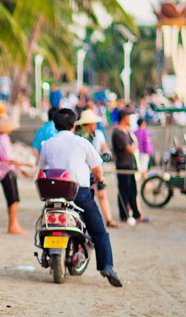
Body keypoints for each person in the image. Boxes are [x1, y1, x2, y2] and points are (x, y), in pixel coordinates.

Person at [38, 108, 123, 287]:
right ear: (73, 124)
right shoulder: (82, 143)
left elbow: (42, 169)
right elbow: (97, 168)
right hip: (79, 194)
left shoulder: (47, 144)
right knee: (99, 231)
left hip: (53, 196)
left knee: (45, 221)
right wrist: (100, 180)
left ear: (54, 124)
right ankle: (107, 266)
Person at [75, 110, 119, 228]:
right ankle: (93, 222)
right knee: (91, 198)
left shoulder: (97, 134)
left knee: (101, 194)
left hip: (96, 169)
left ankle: (108, 219)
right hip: (89, 171)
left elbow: (104, 148)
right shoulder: (82, 136)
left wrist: (105, 154)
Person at [0, 117, 28, 234]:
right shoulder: (4, 139)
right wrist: (25, 165)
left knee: (12, 199)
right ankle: (13, 225)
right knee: (13, 200)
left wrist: (21, 169)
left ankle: (13, 224)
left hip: (4, 171)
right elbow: (8, 160)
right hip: (6, 172)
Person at [112, 109, 147, 226]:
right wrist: (134, 146)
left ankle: (136, 214)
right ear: (124, 118)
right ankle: (124, 214)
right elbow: (129, 148)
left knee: (132, 191)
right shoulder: (117, 133)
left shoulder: (126, 131)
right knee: (124, 191)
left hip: (131, 165)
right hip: (123, 165)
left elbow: (133, 146)